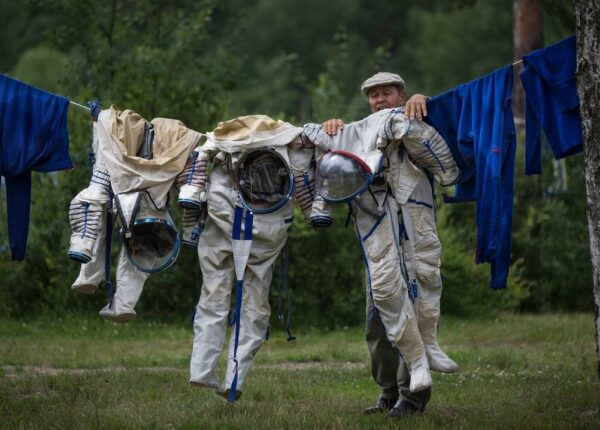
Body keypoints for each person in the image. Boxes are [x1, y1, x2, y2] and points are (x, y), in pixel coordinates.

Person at [322, 72, 458, 419]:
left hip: (413, 239)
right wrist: (332, 126)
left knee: (417, 310)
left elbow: (443, 149)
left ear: (402, 94)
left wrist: (423, 100)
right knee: (377, 320)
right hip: (378, 244)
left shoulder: (419, 118)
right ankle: (387, 391)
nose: (379, 101)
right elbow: (330, 159)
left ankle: (413, 397)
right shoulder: (360, 133)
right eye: (373, 96)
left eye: (386, 93)